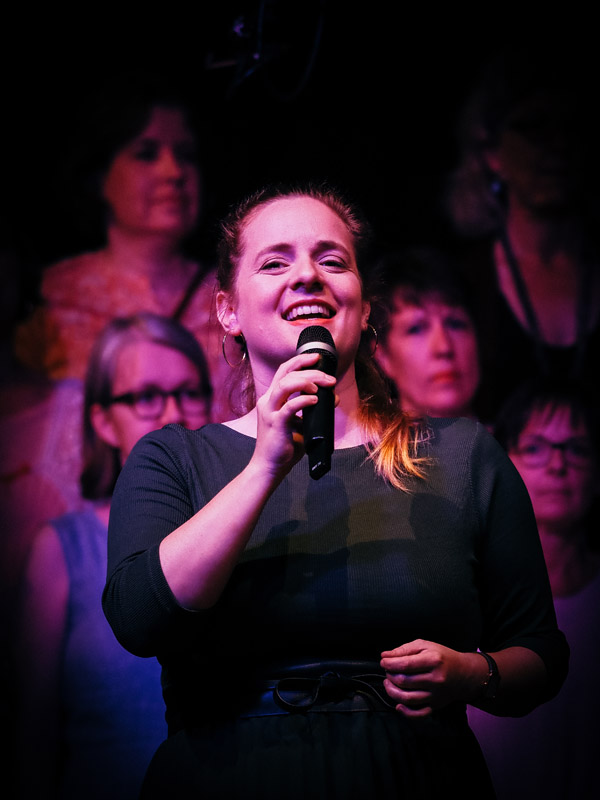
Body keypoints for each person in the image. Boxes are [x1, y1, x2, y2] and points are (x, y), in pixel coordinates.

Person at [102, 182, 568, 799]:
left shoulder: (461, 456)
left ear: (365, 306)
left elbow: (540, 656)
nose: (307, 276)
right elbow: (139, 619)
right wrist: (264, 466)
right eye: (275, 263)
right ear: (228, 310)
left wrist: (472, 673)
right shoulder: (174, 460)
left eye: (331, 260)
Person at [15, 313, 213, 800]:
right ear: (103, 420)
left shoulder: (241, 532)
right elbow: (31, 734)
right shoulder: (63, 549)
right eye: (146, 397)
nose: (173, 414)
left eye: (189, 393)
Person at [13, 72, 228, 420]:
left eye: (186, 155)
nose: (174, 171)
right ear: (99, 176)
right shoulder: (50, 298)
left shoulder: (233, 296)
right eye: (146, 154)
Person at [444, 45, 600, 424]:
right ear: (492, 153)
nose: (556, 146)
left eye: (569, 127)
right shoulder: (464, 281)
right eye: (534, 128)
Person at [467, 377, 600, 799]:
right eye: (537, 447)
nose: (558, 466)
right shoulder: (464, 597)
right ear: (502, 460)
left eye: (576, 449)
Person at [372, 246, 482, 422]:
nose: (444, 347)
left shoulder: (519, 438)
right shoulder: (360, 441)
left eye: (455, 324)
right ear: (382, 355)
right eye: (416, 329)